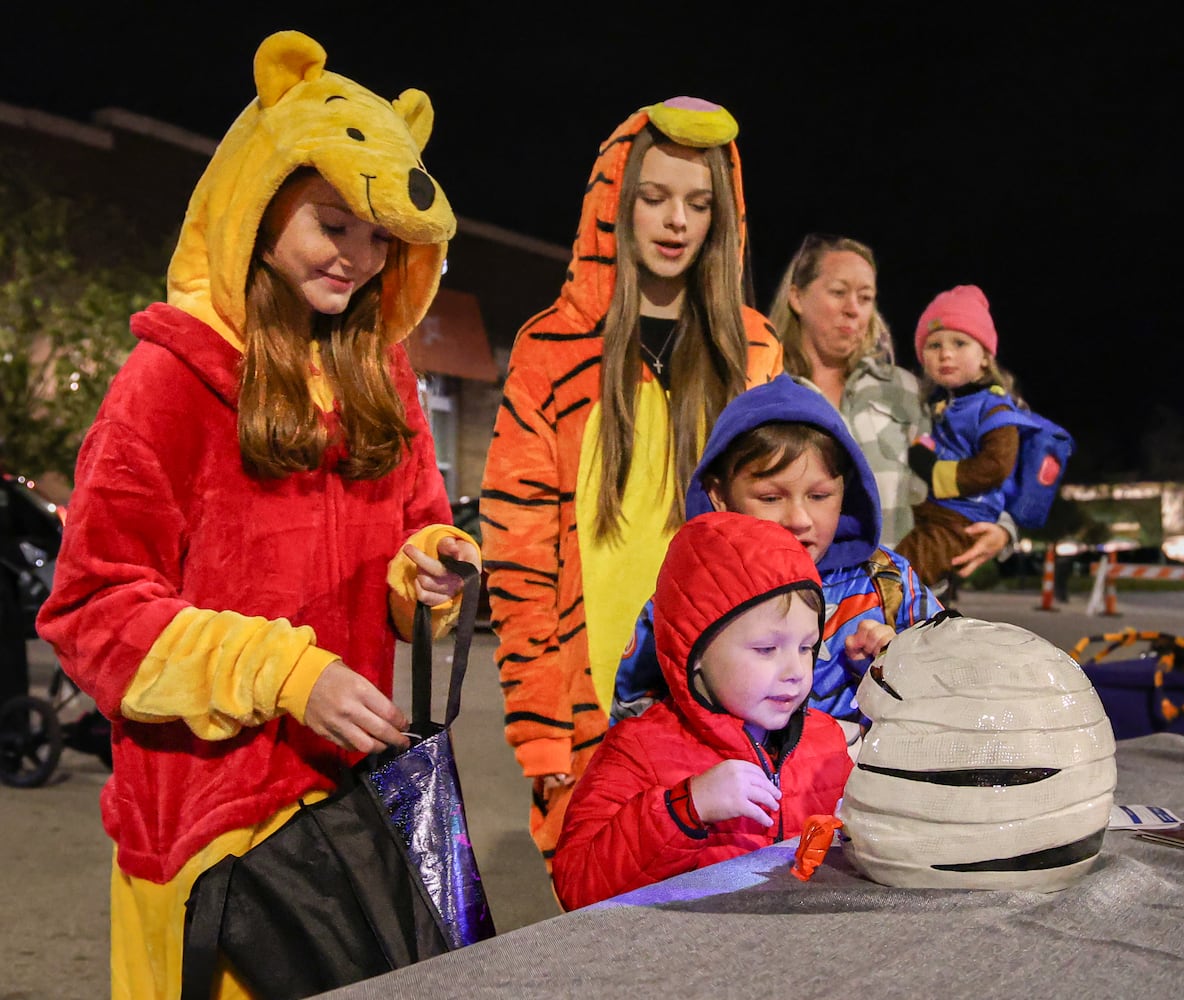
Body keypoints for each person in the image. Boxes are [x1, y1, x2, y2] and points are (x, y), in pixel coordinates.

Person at [34, 31, 478, 999]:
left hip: (352, 816)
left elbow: (416, 532)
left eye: (379, 239)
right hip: (209, 839)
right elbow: (92, 611)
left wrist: (429, 571)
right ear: (260, 202)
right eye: (332, 224)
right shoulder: (168, 380)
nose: (359, 260)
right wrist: (281, 671)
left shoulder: (381, 373)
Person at [479, 97, 783, 867]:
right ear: (616, 201)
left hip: (725, 714)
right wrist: (540, 726)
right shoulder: (550, 349)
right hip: (593, 716)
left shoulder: (754, 352)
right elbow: (518, 556)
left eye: (698, 202)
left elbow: (783, 545)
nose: (675, 221)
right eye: (653, 197)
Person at [552, 512, 853, 909]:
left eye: (806, 647)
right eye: (766, 649)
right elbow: (579, 886)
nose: (795, 672)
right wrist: (685, 809)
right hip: (687, 963)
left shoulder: (826, 741)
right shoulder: (641, 749)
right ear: (694, 653)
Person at [613, 373, 937, 731]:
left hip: (862, 787)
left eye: (819, 496)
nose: (799, 519)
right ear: (720, 495)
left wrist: (895, 665)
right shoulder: (687, 595)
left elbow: (957, 686)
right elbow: (633, 729)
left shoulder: (887, 582)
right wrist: (693, 785)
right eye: (771, 498)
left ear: (847, 491)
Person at [767, 234, 1011, 573]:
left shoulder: (904, 390)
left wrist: (1004, 528)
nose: (853, 308)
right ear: (797, 296)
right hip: (796, 597)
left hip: (901, 601)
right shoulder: (766, 388)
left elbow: (969, 462)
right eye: (838, 292)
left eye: (865, 297)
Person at [896, 284, 1028, 586]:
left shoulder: (995, 407)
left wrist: (933, 470)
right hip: (933, 512)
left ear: (985, 356)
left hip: (963, 519)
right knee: (893, 573)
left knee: (897, 580)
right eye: (934, 346)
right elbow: (941, 440)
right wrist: (922, 445)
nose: (946, 354)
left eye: (959, 343)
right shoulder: (943, 404)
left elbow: (995, 466)